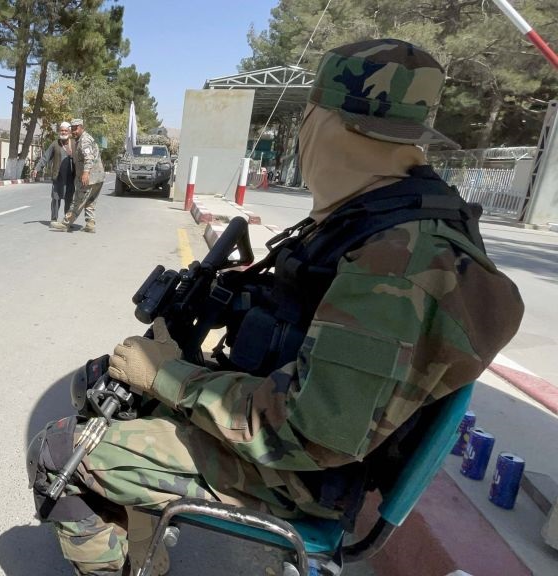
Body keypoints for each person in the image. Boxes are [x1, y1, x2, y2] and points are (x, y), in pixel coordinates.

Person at [27, 39, 525, 576]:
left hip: (300, 478)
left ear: (326, 124)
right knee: (99, 383)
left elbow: (308, 433)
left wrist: (168, 377)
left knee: (57, 452)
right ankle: (145, 542)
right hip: (301, 439)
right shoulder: (382, 215)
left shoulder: (398, 262)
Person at [50, 118, 104, 233]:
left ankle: (65, 223)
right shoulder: (82, 139)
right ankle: (90, 223)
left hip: (89, 178)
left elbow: (88, 157)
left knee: (77, 201)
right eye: (72, 129)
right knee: (90, 201)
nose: (74, 131)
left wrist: (85, 173)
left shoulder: (84, 140)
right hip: (98, 177)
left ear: (81, 127)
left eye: (76, 129)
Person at [32, 122, 76, 224]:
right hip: (58, 177)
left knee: (69, 200)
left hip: (71, 178)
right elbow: (45, 157)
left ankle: (67, 221)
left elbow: (80, 159)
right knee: (56, 199)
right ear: (59, 131)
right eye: (62, 130)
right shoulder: (55, 144)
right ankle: (54, 219)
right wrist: (36, 168)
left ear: (69, 132)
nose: (63, 132)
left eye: (65, 130)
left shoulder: (74, 144)